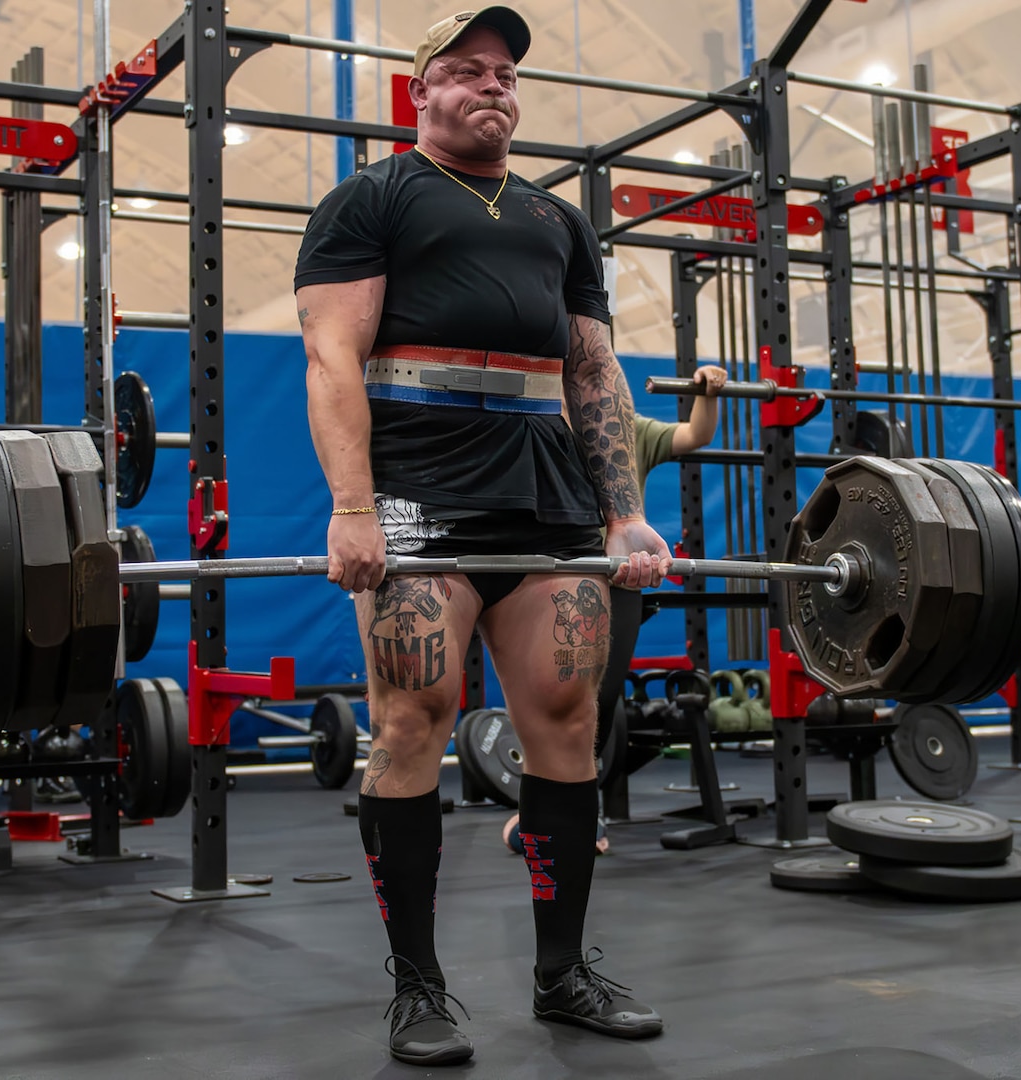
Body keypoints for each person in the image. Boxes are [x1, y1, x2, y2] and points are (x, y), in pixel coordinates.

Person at [294, 6, 672, 1067]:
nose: (492, 87)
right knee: (413, 716)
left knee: (564, 718)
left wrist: (626, 510)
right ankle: (418, 987)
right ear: (422, 90)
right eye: (466, 72)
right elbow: (333, 359)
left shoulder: (559, 221)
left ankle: (562, 976)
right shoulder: (371, 198)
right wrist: (354, 506)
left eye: (504, 74)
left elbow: (593, 374)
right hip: (418, 500)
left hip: (546, 503)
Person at [595, 363, 729, 770]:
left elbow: (697, 434)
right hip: (561, 579)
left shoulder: (630, 430)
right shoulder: (546, 425)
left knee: (602, 699)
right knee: (555, 700)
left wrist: (707, 392)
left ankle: (585, 807)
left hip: (622, 581)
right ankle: (539, 808)